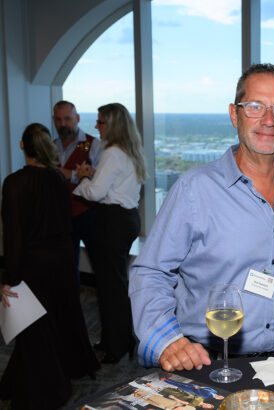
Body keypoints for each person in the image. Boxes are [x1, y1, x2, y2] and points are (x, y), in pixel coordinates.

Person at [129, 63, 274, 372]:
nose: (268, 120)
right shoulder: (195, 189)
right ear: (234, 114)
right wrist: (167, 340)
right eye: (255, 107)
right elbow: (150, 272)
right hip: (207, 364)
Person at [0, 123, 100, 409]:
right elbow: (66, 224)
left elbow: (14, 234)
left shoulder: (15, 183)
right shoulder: (58, 178)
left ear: (22, 146)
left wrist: (10, 277)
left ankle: (48, 387)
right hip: (62, 260)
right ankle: (55, 372)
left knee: (33, 328)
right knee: (57, 320)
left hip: (33, 264)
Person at [73, 103, 147, 364]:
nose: (96, 126)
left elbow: (95, 193)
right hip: (126, 219)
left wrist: (82, 180)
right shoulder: (128, 150)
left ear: (112, 125)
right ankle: (121, 339)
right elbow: (115, 183)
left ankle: (115, 347)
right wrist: (94, 176)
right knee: (115, 284)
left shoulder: (112, 152)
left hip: (111, 221)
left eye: (101, 122)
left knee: (109, 287)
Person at [52, 100, 103, 275]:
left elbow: (100, 180)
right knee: (66, 266)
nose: (63, 124)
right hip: (61, 214)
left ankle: (106, 302)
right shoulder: (51, 146)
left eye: (67, 119)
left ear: (77, 118)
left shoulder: (93, 144)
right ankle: (72, 302)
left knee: (100, 263)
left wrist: (70, 174)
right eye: (58, 120)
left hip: (89, 214)